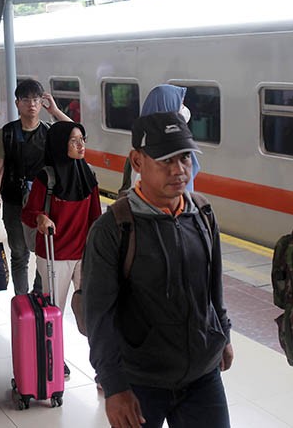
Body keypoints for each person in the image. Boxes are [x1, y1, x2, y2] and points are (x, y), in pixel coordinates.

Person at [83, 111, 234, 428]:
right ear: (137, 162)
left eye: (185, 158)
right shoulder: (114, 228)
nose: (179, 170)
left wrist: (222, 334)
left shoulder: (203, 214)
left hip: (203, 377)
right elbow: (99, 315)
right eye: (165, 160)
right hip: (141, 382)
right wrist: (114, 386)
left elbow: (212, 285)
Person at [21, 121, 101, 379]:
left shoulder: (89, 174)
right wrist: (41, 219)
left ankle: (104, 369)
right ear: (60, 144)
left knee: (95, 312)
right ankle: (53, 359)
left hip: (84, 256)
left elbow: (96, 217)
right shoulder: (47, 177)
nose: (81, 146)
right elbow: (29, 212)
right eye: (74, 141)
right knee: (54, 311)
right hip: (55, 256)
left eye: (82, 140)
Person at [0, 79, 70, 295]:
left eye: (36, 99)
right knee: (19, 254)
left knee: (44, 254)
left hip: (45, 205)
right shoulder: (6, 134)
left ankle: (39, 293)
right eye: (26, 100)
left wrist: (56, 111)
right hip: (14, 202)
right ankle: (22, 299)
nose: (31, 104)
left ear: (42, 103)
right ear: (17, 103)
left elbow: (77, 134)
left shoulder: (51, 132)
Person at [119, 84, 201, 194]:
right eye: (180, 105)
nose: (180, 170)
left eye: (184, 158)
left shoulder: (144, 144)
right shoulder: (146, 155)